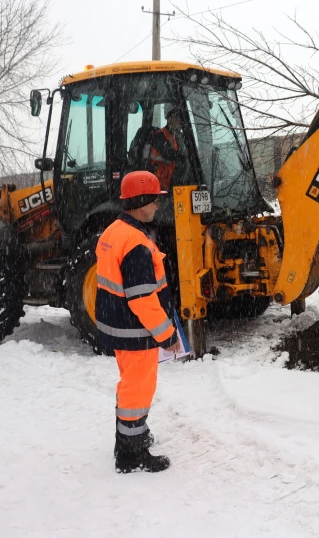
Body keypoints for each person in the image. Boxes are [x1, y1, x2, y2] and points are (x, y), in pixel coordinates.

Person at [96, 170, 181, 473]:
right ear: (141, 201)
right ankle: (132, 455)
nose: (158, 206)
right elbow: (143, 299)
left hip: (120, 326)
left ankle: (130, 438)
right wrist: (167, 334)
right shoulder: (136, 244)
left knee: (129, 385)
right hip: (136, 330)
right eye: (154, 201)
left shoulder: (113, 232)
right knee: (138, 389)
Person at [130, 106, 188, 190]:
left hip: (171, 179)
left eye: (181, 121)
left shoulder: (177, 137)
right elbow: (168, 154)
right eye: (178, 120)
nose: (180, 123)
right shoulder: (159, 135)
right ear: (170, 119)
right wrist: (184, 154)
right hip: (158, 180)